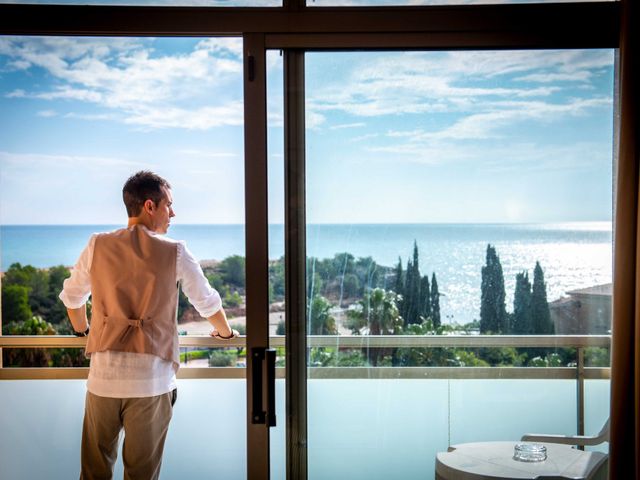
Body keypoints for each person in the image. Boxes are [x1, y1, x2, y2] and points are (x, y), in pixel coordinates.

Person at [59, 170, 239, 480]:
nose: (173, 212)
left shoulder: (97, 244)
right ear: (149, 206)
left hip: (103, 380)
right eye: (169, 204)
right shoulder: (175, 251)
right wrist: (225, 333)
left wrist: (82, 331)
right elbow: (207, 301)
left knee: (93, 473)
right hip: (151, 383)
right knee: (142, 475)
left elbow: (72, 297)